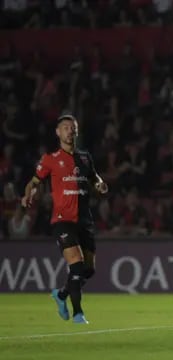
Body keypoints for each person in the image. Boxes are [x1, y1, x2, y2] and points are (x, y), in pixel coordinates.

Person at [21, 114, 108, 324]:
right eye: (66, 127)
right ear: (58, 132)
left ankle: (60, 295)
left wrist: (100, 185)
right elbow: (34, 182)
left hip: (85, 220)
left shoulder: (85, 157)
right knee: (76, 266)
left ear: (77, 132)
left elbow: (95, 178)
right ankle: (78, 313)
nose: (70, 130)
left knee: (88, 270)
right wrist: (27, 194)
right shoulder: (49, 160)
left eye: (73, 127)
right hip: (63, 220)